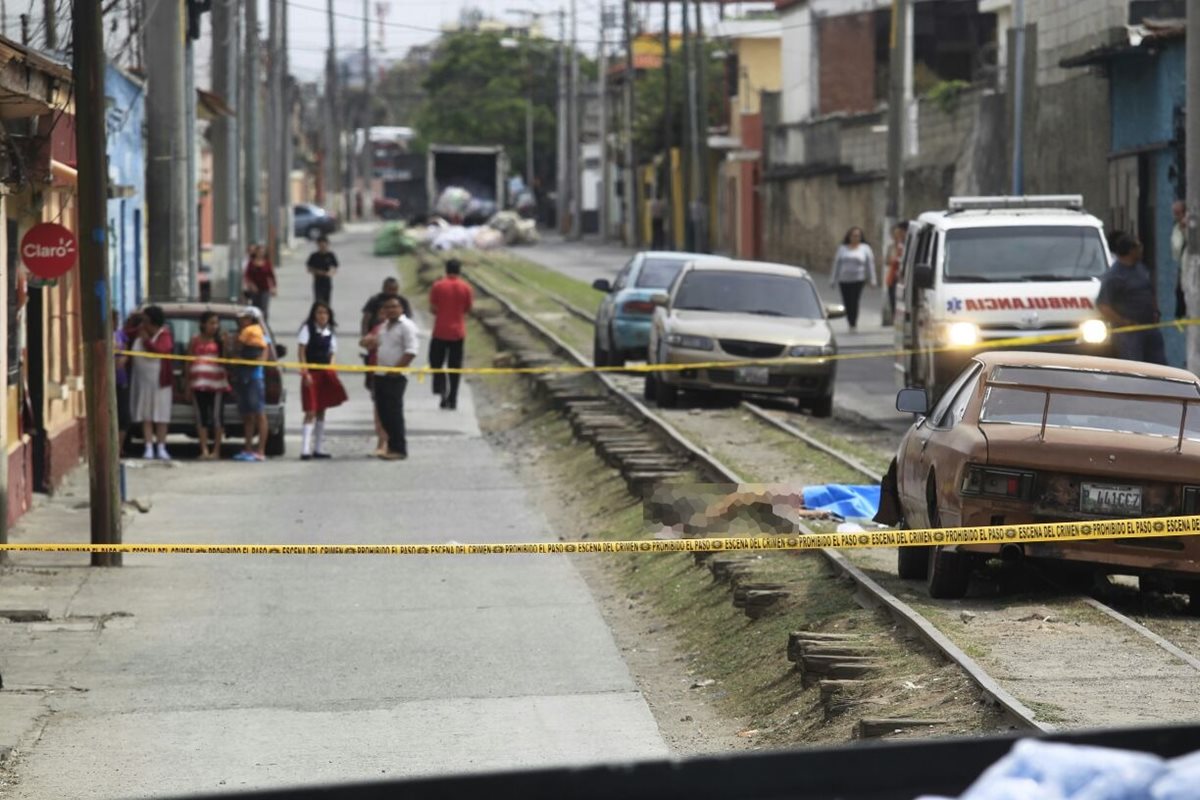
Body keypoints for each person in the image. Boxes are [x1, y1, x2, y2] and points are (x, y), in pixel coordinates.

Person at [360, 295, 418, 461]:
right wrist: (366, 342)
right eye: (387, 307)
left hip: (395, 376)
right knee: (384, 413)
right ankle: (391, 447)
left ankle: (399, 449)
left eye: (394, 307)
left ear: (401, 309)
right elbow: (372, 343)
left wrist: (397, 370)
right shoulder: (384, 326)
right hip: (380, 374)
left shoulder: (407, 326)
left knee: (394, 412)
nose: (391, 310)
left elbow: (411, 351)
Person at [1097, 235, 1167, 365]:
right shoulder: (1114, 275)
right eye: (1138, 247)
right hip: (1129, 333)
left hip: (1150, 327)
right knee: (1135, 368)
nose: (1142, 249)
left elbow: (1149, 290)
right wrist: (1124, 322)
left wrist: (1155, 310)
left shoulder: (1140, 268)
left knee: (1159, 366)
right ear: (1131, 250)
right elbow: (1103, 305)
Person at [297, 301, 348, 460]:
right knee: (310, 411)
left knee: (321, 410)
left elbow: (332, 353)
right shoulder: (307, 330)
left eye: (325, 313)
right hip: (312, 374)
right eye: (319, 312)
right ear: (314, 314)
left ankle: (318, 447)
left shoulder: (329, 332)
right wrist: (305, 373)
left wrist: (331, 369)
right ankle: (305, 449)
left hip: (324, 373)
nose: (322, 316)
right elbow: (301, 351)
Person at [361, 277, 406, 453]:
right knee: (378, 405)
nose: (388, 311)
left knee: (391, 408)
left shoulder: (401, 321)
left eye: (395, 290)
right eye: (385, 309)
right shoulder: (375, 305)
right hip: (374, 365)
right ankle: (382, 441)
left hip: (394, 370)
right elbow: (365, 321)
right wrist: (365, 338)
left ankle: (391, 442)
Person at [130, 305, 175, 461]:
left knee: (161, 415)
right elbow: (127, 332)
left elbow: (161, 350)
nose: (143, 324)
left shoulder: (164, 335)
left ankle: (161, 447)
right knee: (146, 415)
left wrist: (147, 341)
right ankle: (148, 446)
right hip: (143, 383)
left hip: (160, 383)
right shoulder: (139, 332)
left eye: (146, 321)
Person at [428, 258, 474, 410]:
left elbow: (433, 308)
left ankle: (442, 393)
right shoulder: (466, 287)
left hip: (440, 331)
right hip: (458, 332)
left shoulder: (438, 286)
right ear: (459, 270)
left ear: (446, 270)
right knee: (455, 367)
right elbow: (468, 308)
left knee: (436, 363)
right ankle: (453, 398)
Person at [186, 311, 230, 460]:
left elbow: (225, 361)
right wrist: (187, 384)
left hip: (217, 385)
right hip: (198, 384)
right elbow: (188, 361)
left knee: (217, 417)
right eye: (211, 323)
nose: (214, 326)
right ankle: (204, 449)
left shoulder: (219, 341)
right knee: (201, 418)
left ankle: (216, 450)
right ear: (203, 324)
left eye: (216, 323)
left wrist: (225, 344)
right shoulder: (195, 340)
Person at [231, 306, 272, 462]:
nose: (242, 321)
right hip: (242, 377)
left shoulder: (260, 335)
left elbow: (264, 356)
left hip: (255, 378)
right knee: (247, 416)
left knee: (259, 414)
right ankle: (247, 448)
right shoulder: (241, 335)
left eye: (245, 318)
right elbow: (235, 353)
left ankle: (260, 450)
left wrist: (254, 360)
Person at [830, 226, 876, 331]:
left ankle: (853, 322)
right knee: (847, 301)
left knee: (854, 300)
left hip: (858, 279)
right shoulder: (842, 248)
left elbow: (870, 265)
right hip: (844, 279)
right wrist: (833, 279)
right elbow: (837, 264)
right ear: (849, 237)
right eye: (854, 236)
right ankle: (849, 319)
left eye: (858, 236)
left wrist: (872, 279)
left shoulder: (865, 248)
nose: (856, 238)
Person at [113, 311, 142, 456]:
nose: (116, 322)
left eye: (117, 319)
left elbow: (124, 355)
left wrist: (122, 358)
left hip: (121, 379)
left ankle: (119, 447)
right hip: (108, 382)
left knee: (123, 415)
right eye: (113, 319)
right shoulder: (101, 336)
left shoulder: (121, 335)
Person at [243, 244, 277, 322]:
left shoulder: (267, 263)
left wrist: (274, 287)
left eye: (263, 252)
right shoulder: (251, 263)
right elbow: (247, 275)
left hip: (265, 289)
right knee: (255, 308)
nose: (261, 253)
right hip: (255, 290)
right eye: (259, 251)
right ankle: (255, 323)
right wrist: (251, 285)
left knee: (264, 308)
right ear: (256, 252)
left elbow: (271, 275)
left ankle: (264, 325)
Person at [884, 221, 908, 323]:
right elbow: (887, 260)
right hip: (893, 277)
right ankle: (895, 319)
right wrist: (894, 260)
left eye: (900, 233)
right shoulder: (892, 247)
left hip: (904, 278)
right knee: (893, 299)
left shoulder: (907, 245)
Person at [306, 236, 339, 304]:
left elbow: (335, 267)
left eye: (324, 245)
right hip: (318, 282)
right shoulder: (314, 256)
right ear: (317, 245)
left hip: (327, 281)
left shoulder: (331, 255)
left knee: (327, 301)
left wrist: (330, 272)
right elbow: (309, 268)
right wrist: (317, 272)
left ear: (327, 244)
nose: (322, 247)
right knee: (318, 301)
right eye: (320, 245)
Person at [1172, 200, 1187, 319]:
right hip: (1183, 266)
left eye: (1178, 213)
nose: (1176, 216)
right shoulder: (1177, 228)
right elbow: (1176, 249)